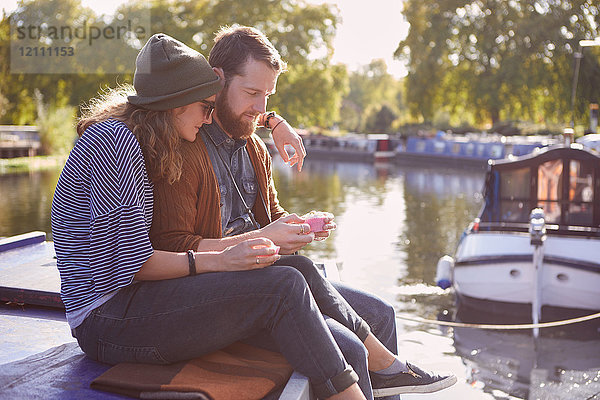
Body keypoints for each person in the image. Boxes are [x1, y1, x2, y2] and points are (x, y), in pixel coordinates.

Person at [50, 33, 380, 399]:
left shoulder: (139, 136)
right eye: (206, 107)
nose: (209, 118)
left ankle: (376, 372)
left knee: (295, 273)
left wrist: (273, 120)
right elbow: (134, 266)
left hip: (135, 302)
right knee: (284, 287)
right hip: (107, 320)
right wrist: (221, 260)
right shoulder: (117, 143)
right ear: (176, 105)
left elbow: (235, 108)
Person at [149, 26, 456, 398]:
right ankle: (386, 369)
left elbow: (272, 220)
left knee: (381, 313)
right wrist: (269, 238)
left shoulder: (256, 150)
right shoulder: (186, 145)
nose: (261, 107)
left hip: (269, 275)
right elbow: (174, 244)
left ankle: (391, 375)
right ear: (217, 80)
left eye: (268, 95)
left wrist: (297, 229)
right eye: (252, 93)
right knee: (351, 346)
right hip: (223, 291)